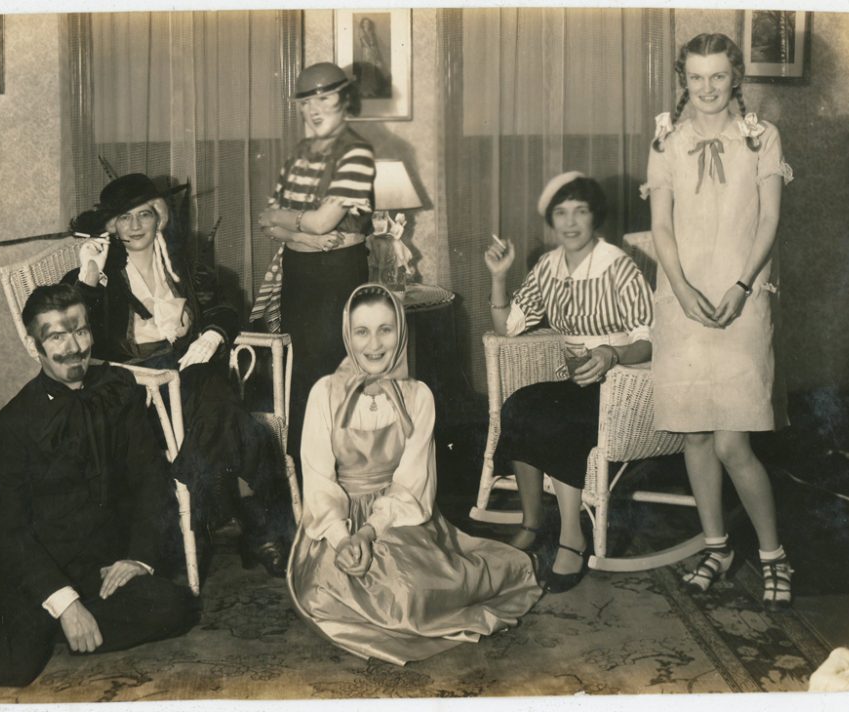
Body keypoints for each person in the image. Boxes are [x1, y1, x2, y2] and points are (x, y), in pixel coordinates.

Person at [0, 285, 196, 687]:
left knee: (178, 608)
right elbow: (6, 530)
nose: (74, 347)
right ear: (34, 344)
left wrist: (137, 559)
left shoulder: (119, 388)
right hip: (33, 569)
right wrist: (64, 603)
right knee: (14, 665)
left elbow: (149, 478)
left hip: (98, 563)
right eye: (56, 336)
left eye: (79, 331)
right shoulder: (15, 423)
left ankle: (62, 628)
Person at [288, 284, 541, 665]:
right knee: (323, 593)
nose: (374, 344)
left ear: (401, 332)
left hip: (398, 517)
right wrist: (343, 539)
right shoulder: (325, 392)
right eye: (362, 331)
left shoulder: (419, 396)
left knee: (408, 596)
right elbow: (320, 480)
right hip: (336, 521)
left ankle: (485, 571)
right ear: (348, 335)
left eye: (385, 329)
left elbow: (411, 483)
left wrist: (370, 531)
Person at [65, 173, 293, 577]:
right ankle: (257, 529)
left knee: (215, 394)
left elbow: (222, 306)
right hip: (139, 388)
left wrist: (212, 334)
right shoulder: (101, 271)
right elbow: (78, 330)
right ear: (110, 225)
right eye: (124, 218)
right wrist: (88, 274)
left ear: (160, 218)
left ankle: (198, 501)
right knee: (232, 415)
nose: (135, 227)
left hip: (188, 374)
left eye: (145, 215)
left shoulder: (179, 263)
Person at [642, 33, 794, 609]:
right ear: (685, 81)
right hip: (682, 302)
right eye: (696, 78)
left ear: (736, 80)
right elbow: (660, 227)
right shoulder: (666, 140)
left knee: (733, 442)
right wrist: (680, 290)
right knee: (696, 433)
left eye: (719, 77)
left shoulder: (762, 138)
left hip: (741, 299)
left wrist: (741, 286)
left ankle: (775, 554)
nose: (707, 89)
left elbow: (769, 221)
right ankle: (717, 546)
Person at [485, 173, 655, 593]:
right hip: (577, 383)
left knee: (556, 422)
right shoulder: (549, 267)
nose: (571, 222)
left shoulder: (618, 266)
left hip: (627, 386)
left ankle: (572, 537)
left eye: (580, 211)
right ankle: (532, 521)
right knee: (518, 405)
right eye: (561, 213)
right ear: (551, 221)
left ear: (595, 216)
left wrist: (611, 354)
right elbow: (508, 328)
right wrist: (499, 276)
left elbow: (650, 340)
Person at [251, 62, 375, 472]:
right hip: (300, 275)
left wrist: (302, 225)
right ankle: (307, 485)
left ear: (344, 100)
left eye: (324, 98)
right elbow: (267, 219)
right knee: (301, 373)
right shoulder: (300, 154)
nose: (315, 109)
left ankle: (343, 482)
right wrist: (310, 236)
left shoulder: (356, 152)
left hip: (338, 275)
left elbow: (319, 221)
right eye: (307, 101)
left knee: (336, 373)